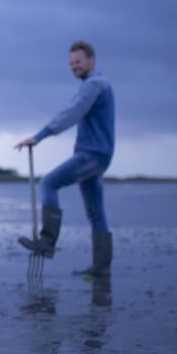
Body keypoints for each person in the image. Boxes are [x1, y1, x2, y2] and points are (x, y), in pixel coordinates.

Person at [15, 41, 115, 277]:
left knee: (48, 183)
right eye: (71, 63)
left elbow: (71, 113)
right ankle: (101, 269)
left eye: (78, 61)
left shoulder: (94, 85)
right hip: (99, 154)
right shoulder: (96, 84)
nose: (74, 66)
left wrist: (39, 136)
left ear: (91, 60)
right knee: (95, 213)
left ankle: (48, 241)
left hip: (92, 154)